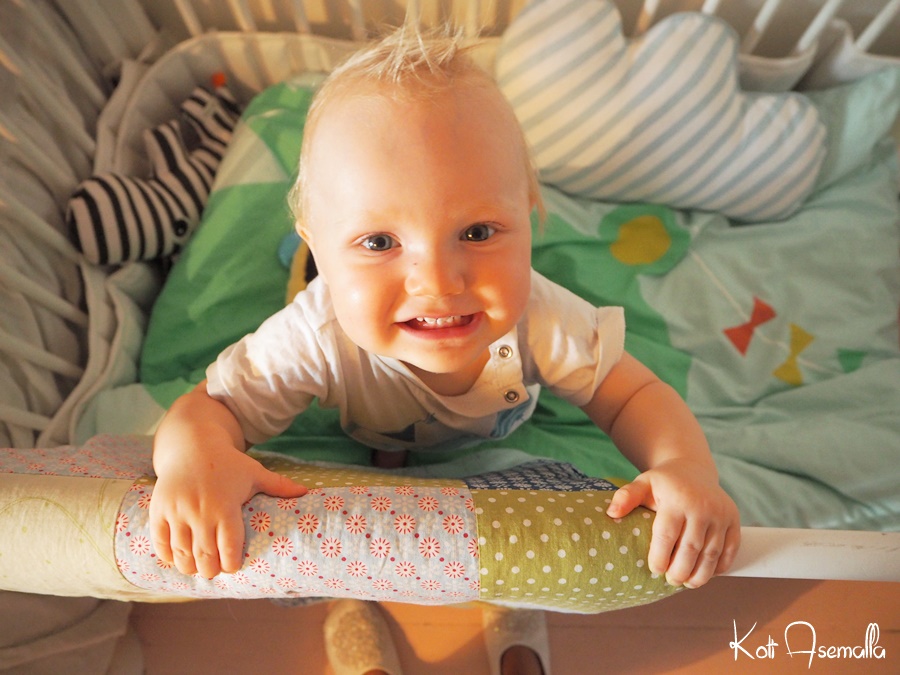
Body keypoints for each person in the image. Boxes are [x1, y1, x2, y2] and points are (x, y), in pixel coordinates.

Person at [149, 26, 741, 675]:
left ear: (530, 214)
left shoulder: (539, 317)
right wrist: (195, 460)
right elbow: (208, 408)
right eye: (379, 242)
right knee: (362, 476)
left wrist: (684, 466)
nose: (437, 282)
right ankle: (357, 573)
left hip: (495, 427)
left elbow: (633, 394)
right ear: (318, 243)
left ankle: (498, 585)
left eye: (477, 232)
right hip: (372, 430)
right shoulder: (315, 335)